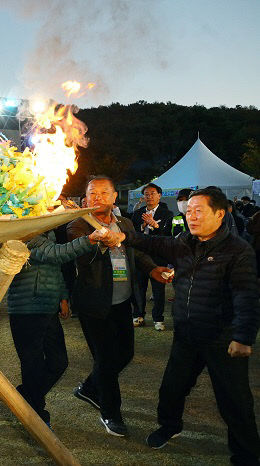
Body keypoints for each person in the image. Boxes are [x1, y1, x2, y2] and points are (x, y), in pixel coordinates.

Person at [111, 187, 260, 465]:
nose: (191, 216)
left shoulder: (238, 250)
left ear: (220, 214)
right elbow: (155, 243)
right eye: (188, 210)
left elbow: (247, 296)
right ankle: (170, 426)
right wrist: (124, 236)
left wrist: (242, 336)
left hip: (221, 337)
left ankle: (247, 453)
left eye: (198, 210)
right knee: (172, 388)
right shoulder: (184, 242)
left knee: (235, 401)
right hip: (186, 335)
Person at [67, 176, 168, 437]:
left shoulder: (125, 222)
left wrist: (153, 268)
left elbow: (136, 250)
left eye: (104, 192)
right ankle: (111, 413)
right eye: (92, 192)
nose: (97, 196)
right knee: (106, 359)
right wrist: (102, 240)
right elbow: (83, 255)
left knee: (125, 354)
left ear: (114, 197)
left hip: (122, 301)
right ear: (85, 198)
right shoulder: (78, 225)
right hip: (95, 304)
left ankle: (89, 388)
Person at [7, 226, 115, 426]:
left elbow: (53, 268)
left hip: (47, 307)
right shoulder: (25, 232)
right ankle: (37, 416)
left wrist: (63, 297)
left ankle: (26, 397)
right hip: (26, 308)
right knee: (33, 365)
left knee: (59, 361)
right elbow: (55, 255)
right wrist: (89, 239)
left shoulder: (47, 232)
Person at [130, 183, 173, 330]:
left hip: (157, 257)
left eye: (153, 193)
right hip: (140, 256)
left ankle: (158, 319)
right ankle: (138, 315)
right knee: (138, 288)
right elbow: (132, 234)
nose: (149, 196)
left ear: (159, 196)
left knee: (158, 290)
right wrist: (142, 226)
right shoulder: (137, 213)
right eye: (146, 194)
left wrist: (155, 225)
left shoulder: (167, 213)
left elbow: (168, 236)